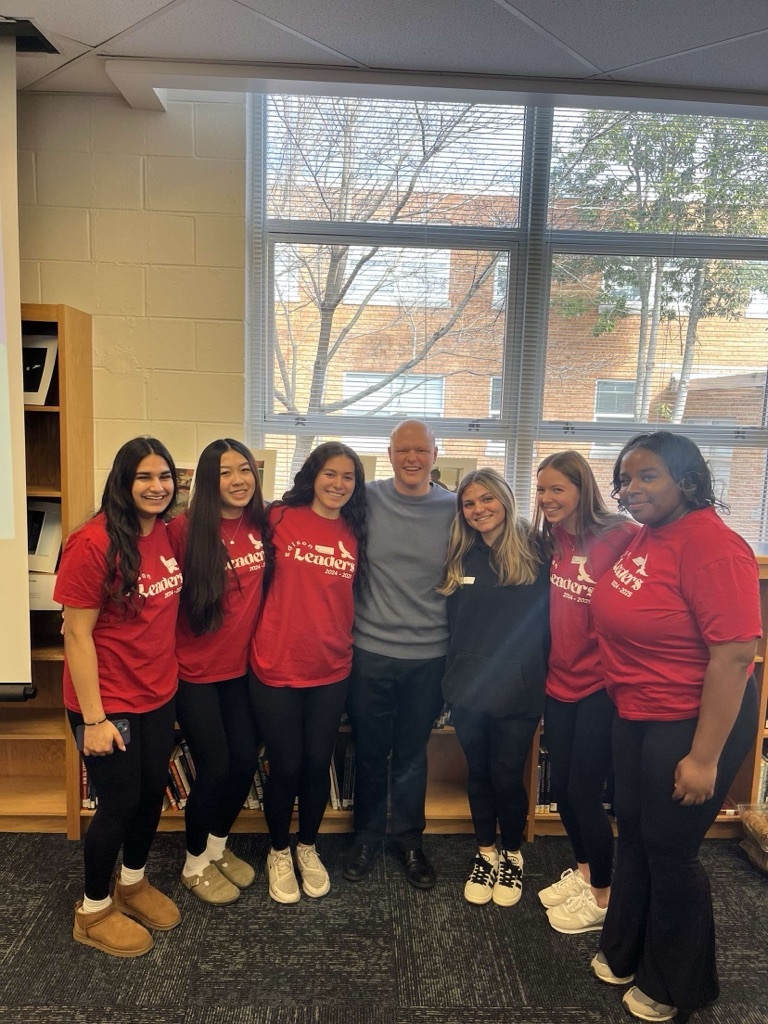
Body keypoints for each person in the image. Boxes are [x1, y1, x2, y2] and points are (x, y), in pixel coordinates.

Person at [589, 432, 760, 1023]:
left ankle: (679, 984)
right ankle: (627, 948)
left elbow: (735, 656)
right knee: (632, 832)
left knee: (670, 849)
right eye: (626, 479)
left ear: (687, 479)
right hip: (638, 710)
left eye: (648, 477)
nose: (632, 489)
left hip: (690, 720)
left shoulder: (715, 548)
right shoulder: (649, 534)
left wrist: (705, 758)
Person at [54, 437, 183, 957]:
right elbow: (76, 635)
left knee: (153, 792)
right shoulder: (93, 541)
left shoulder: (168, 533)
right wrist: (94, 719)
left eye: (165, 477)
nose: (157, 487)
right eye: (144, 477)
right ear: (122, 481)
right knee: (119, 803)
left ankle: (132, 882)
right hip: (107, 703)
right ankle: (92, 909)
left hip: (157, 693)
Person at [248, 441, 367, 903]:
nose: (339, 484)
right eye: (331, 474)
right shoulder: (277, 517)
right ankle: (278, 850)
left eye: (348, 477)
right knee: (288, 765)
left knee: (318, 764)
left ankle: (307, 846)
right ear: (312, 475)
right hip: (275, 664)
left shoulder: (358, 531)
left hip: (332, 667)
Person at [344, 419, 456, 889]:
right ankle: (367, 836)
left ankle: (409, 839)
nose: (412, 458)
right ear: (388, 454)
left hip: (430, 655)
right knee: (370, 751)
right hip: (370, 650)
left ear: (435, 453)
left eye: (421, 450)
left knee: (412, 754)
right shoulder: (365, 498)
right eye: (402, 450)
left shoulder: (456, 508)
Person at [533, 451, 637, 933]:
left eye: (558, 489)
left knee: (582, 790)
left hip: (600, 685)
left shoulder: (621, 535)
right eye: (542, 489)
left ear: (581, 489)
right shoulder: (550, 538)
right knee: (562, 791)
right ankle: (584, 871)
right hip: (559, 681)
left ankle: (603, 896)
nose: (548, 498)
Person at [438, 468, 550, 905]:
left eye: (487, 499)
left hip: (519, 688)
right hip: (468, 688)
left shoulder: (538, 551)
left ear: (504, 499)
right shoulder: (459, 555)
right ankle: (485, 852)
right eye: (469, 503)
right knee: (479, 773)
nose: (478, 509)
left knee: (507, 774)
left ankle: (512, 854)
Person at [168, 439, 270, 905]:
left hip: (241, 672)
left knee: (245, 761)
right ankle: (193, 863)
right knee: (215, 767)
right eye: (226, 472)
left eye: (244, 469)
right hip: (194, 672)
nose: (238, 480)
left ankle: (216, 847)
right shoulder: (184, 530)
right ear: (208, 480)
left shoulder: (260, 524)